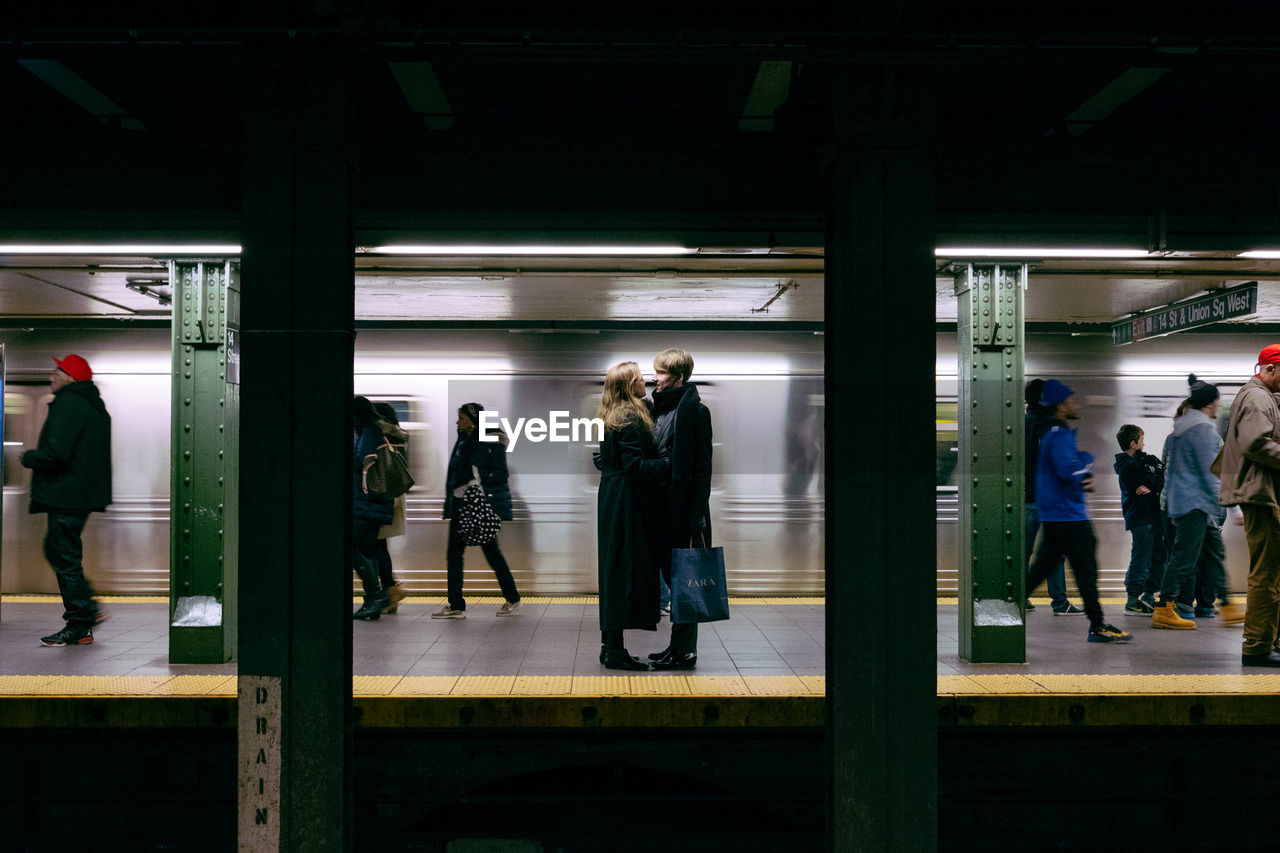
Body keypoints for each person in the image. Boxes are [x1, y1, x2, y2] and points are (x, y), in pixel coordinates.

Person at [1025, 379, 1131, 643]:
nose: (1076, 404)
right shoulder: (1058, 433)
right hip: (1068, 515)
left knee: (1043, 568)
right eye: (1071, 400)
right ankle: (1097, 626)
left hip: (1056, 514)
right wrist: (1085, 464)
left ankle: (1008, 607)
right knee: (1085, 571)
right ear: (1060, 406)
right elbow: (1068, 469)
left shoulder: (1047, 431)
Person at [22, 354, 112, 647]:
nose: (52, 376)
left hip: (65, 495)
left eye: (57, 371)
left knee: (65, 557)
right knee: (58, 551)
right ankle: (85, 609)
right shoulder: (94, 406)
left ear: (70, 377)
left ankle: (78, 624)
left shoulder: (68, 403)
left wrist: (29, 457)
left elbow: (57, 453)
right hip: (79, 496)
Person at [1154, 376, 1245, 629]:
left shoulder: (1178, 431)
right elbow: (1212, 472)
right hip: (1197, 505)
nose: (1219, 406)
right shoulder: (1203, 429)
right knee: (1184, 559)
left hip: (1190, 505)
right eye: (1218, 402)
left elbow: (1169, 472)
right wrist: (1233, 505)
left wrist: (1172, 505)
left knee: (1214, 556)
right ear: (1210, 404)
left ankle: (1227, 604)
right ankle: (1164, 608)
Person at [595, 361, 668, 670]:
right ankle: (614, 651)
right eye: (639, 380)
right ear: (628, 386)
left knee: (614, 573)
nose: (645, 383)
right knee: (624, 573)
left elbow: (604, 459)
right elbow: (635, 465)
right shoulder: (629, 416)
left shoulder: (612, 415)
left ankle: (610, 646)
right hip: (627, 501)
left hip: (614, 497)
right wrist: (671, 464)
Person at [646, 348, 714, 670]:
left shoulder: (697, 413)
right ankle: (676, 645)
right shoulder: (659, 412)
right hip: (661, 509)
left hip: (683, 512)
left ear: (680, 377)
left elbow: (703, 468)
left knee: (684, 582)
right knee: (673, 579)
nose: (655, 378)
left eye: (661, 373)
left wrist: (697, 513)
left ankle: (685, 651)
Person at [1219, 345, 1280, 666]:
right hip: (1259, 493)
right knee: (1266, 572)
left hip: (1262, 492)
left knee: (1272, 570)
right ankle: (1257, 645)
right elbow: (1256, 443)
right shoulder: (1257, 398)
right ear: (1269, 370)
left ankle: (1269, 639)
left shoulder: (1262, 397)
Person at [433, 402, 521, 619]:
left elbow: (500, 474)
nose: (458, 421)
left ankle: (511, 597)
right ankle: (457, 605)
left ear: (473, 421)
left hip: (479, 505)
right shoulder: (463, 441)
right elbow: (453, 475)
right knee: (455, 554)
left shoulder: (489, 441)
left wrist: (478, 479)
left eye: (462, 418)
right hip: (461, 504)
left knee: (490, 553)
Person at [1024, 379, 1081, 614]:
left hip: (1025, 496)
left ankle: (1019, 596)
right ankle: (1058, 601)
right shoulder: (1051, 426)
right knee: (1054, 551)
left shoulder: (1021, 423)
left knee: (1023, 551)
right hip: (1049, 499)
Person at [1113, 424, 1165, 616]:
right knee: (1141, 558)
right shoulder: (1127, 466)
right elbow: (1149, 483)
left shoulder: (1140, 463)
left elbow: (1159, 481)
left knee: (1158, 557)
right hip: (1141, 518)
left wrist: (1152, 481)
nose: (1144, 444)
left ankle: (1148, 596)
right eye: (1141, 440)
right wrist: (1153, 480)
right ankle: (1133, 600)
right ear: (1134, 443)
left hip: (1150, 516)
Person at [351, 396, 393, 620]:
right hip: (375, 504)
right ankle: (372, 602)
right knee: (368, 550)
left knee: (351, 547)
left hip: (368, 503)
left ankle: (375, 596)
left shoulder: (370, 431)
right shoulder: (378, 429)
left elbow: (362, 461)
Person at [372, 401, 408, 614]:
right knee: (378, 546)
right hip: (392, 496)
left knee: (375, 546)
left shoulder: (382, 435)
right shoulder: (398, 436)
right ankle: (390, 591)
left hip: (384, 497)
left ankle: (390, 591)